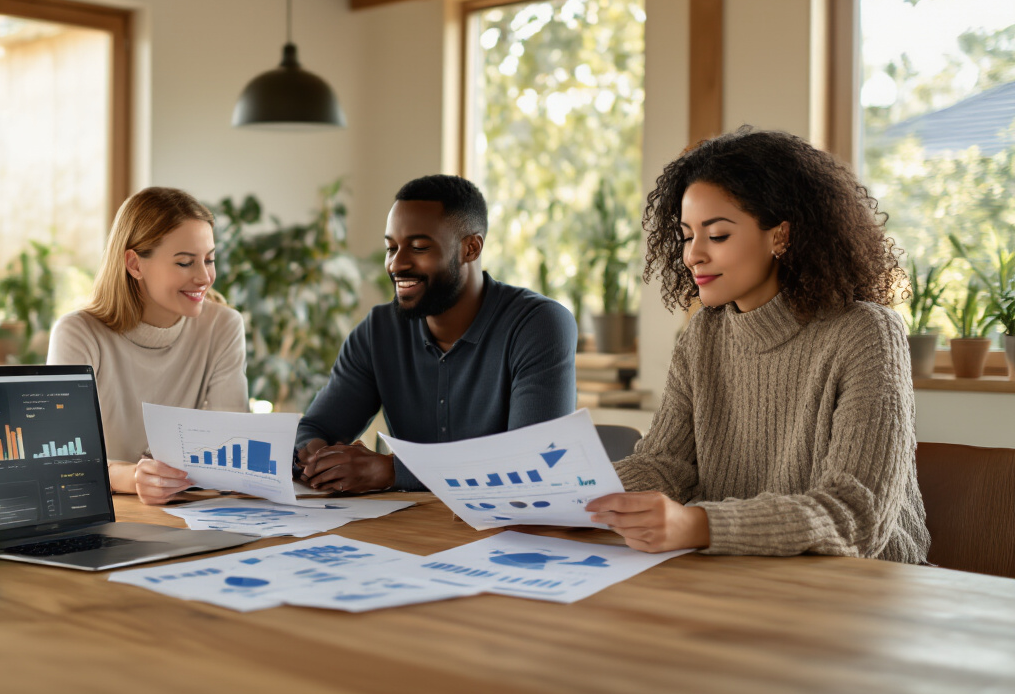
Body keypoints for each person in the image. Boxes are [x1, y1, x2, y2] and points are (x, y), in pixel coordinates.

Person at [586, 128, 929, 563]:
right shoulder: (702, 337)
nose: (693, 255)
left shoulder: (866, 332)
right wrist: (568, 493)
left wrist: (699, 525)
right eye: (688, 235)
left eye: (718, 235)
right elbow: (665, 465)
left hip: (866, 589)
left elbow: (855, 516)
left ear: (780, 236)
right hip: (740, 572)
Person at [296, 174, 578, 493]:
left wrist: (392, 472)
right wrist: (318, 456)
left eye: (418, 247)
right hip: (406, 528)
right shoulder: (378, 331)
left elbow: (534, 462)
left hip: (507, 531)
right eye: (391, 247)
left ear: (470, 248)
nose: (396, 264)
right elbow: (316, 428)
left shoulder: (538, 325)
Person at [47, 187, 248, 505]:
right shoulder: (78, 333)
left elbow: (234, 444)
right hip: (102, 508)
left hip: (186, 510)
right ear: (134, 264)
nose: (204, 277)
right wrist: (132, 478)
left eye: (208, 260)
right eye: (185, 263)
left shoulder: (223, 326)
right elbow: (57, 459)